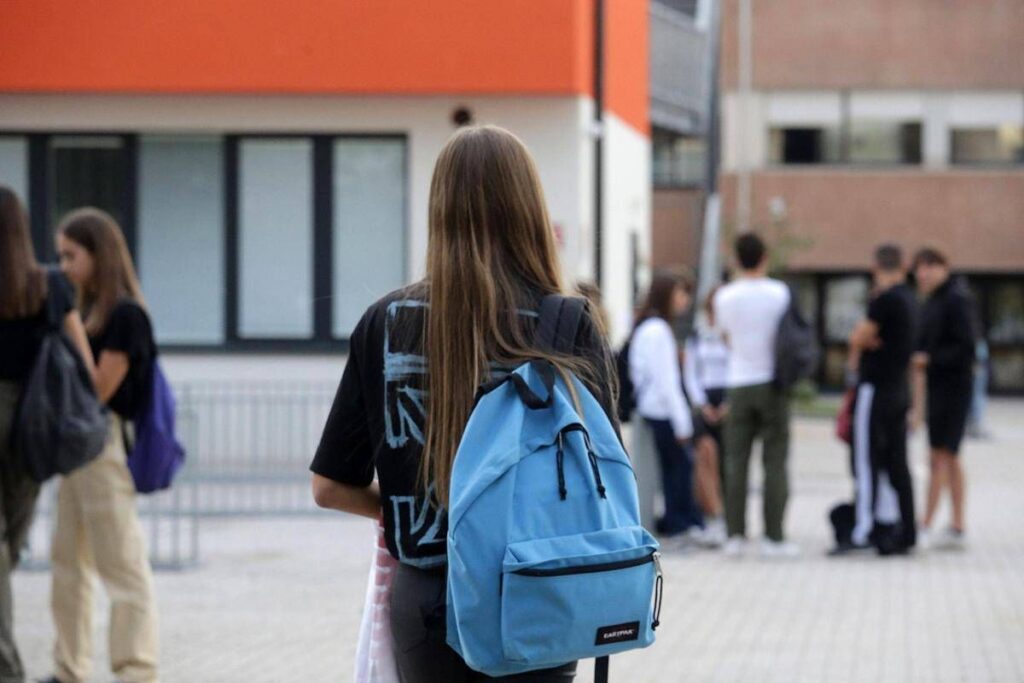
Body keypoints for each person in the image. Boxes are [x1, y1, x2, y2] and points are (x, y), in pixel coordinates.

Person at [310, 125, 618, 682]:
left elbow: (329, 486)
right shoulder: (569, 323)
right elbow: (605, 472)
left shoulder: (384, 323)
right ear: (528, 209)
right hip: (539, 585)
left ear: (440, 210)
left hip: (429, 597)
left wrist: (400, 506)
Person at [41, 208, 160, 683]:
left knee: (121, 565)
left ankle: (135, 670)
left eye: (71, 255)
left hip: (105, 444)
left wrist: (69, 323)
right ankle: (69, 669)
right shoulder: (89, 314)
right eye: (60, 256)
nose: (63, 266)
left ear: (99, 255)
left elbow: (97, 389)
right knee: (67, 563)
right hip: (75, 447)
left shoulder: (126, 315)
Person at [0, 188, 95, 683]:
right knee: (9, 543)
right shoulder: (49, 287)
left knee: (6, 550)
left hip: (21, 424)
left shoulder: (47, 285)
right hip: (31, 426)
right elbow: (82, 361)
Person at [713, 233, 796, 558]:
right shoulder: (780, 293)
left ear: (736, 259)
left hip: (738, 382)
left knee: (735, 462)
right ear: (765, 257)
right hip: (772, 382)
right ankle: (773, 537)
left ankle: (735, 535)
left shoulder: (725, 296)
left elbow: (725, 337)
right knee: (775, 461)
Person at [843, 244, 918, 556]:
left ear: (876, 267)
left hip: (875, 389)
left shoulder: (885, 299)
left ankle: (864, 529)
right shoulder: (910, 299)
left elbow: (858, 338)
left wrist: (862, 342)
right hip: (898, 389)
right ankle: (905, 528)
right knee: (896, 462)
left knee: (867, 460)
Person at [629, 273, 704, 547]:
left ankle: (680, 523)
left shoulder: (647, 327)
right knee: (678, 470)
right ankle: (678, 525)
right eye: (680, 294)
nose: (685, 300)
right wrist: (682, 422)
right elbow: (666, 381)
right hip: (662, 411)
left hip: (652, 408)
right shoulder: (658, 330)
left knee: (673, 469)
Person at [913, 247, 976, 551]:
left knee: (941, 455)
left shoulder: (956, 299)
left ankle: (925, 523)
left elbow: (966, 348)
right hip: (938, 387)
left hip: (954, 387)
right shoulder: (933, 300)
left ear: (943, 267)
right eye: (919, 268)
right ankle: (957, 525)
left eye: (929, 267)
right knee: (948, 456)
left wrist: (930, 359)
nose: (923, 274)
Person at [683, 287, 728, 545]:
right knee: (705, 454)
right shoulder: (698, 336)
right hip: (704, 400)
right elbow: (691, 373)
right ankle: (712, 514)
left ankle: (728, 515)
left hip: (726, 398)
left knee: (726, 462)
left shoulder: (730, 335)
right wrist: (702, 404)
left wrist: (728, 403)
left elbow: (737, 366)